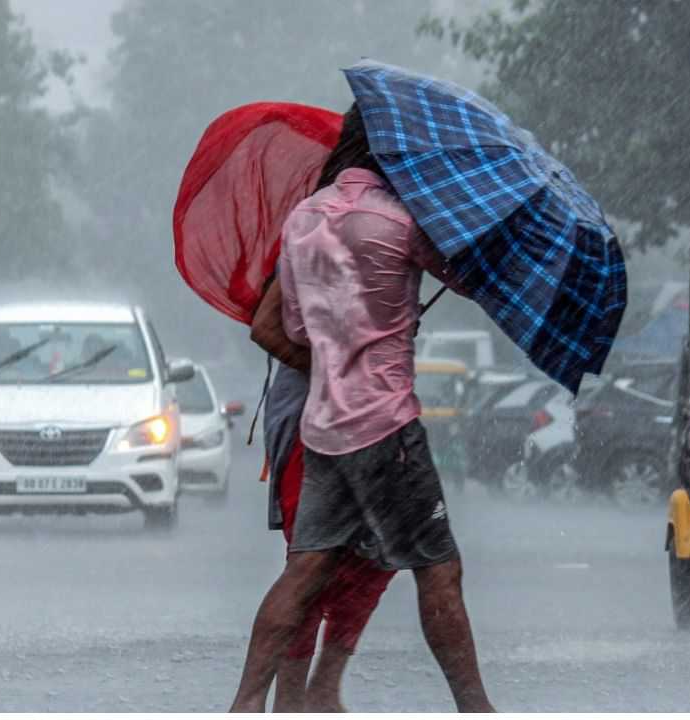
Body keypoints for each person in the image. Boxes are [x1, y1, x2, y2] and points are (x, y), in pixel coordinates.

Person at [230, 104, 494, 712]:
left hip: (322, 427)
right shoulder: (401, 221)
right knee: (439, 571)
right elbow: (468, 278)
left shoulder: (302, 221)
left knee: (302, 574)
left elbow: (294, 324)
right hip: (386, 427)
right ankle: (478, 710)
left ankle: (244, 707)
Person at [252, 278, 397, 712]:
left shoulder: (389, 241)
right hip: (311, 426)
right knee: (312, 563)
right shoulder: (311, 233)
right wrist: (331, 372)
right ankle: (287, 702)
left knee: (375, 558)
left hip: (373, 420)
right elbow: (265, 328)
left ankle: (323, 689)